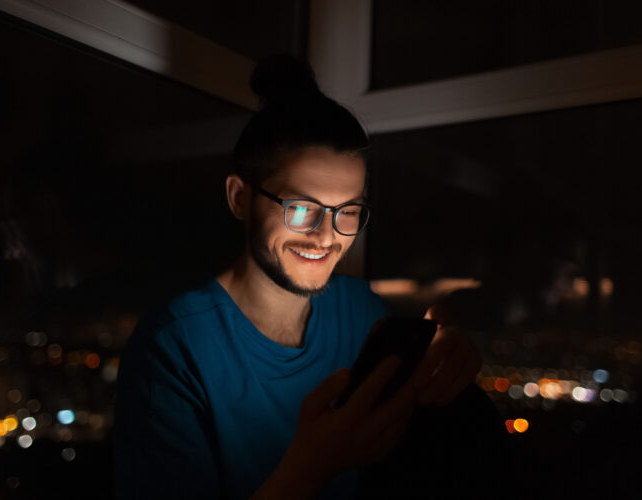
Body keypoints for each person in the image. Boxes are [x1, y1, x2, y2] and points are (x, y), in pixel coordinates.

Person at [114, 55, 482, 499]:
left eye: (347, 211)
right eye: (302, 208)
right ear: (239, 198)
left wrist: (446, 359)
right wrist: (315, 464)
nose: (327, 236)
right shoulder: (172, 349)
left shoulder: (361, 309)